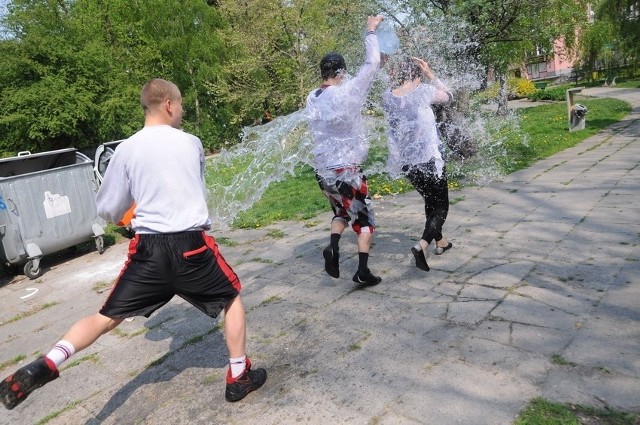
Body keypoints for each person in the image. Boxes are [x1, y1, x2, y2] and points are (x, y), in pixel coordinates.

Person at [0, 79, 266, 410]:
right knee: (232, 297)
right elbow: (193, 189)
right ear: (169, 105)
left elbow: (109, 209)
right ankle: (238, 376)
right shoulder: (192, 143)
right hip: (191, 246)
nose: (181, 110)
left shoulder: (125, 150)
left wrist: (127, 214)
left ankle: (48, 362)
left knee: (105, 317)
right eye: (180, 104)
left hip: (149, 250)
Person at [306, 15, 384, 286]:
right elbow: (372, 64)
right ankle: (362, 270)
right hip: (347, 170)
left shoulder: (312, 97)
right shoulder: (347, 92)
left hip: (323, 172)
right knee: (365, 219)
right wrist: (370, 31)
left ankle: (333, 246)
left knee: (340, 211)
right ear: (341, 72)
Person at [381, 57, 454, 271]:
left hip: (408, 164)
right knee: (441, 206)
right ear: (417, 74)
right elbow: (449, 96)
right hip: (429, 159)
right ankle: (422, 245)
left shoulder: (387, 97)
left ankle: (440, 242)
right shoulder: (424, 91)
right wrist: (431, 74)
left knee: (430, 200)